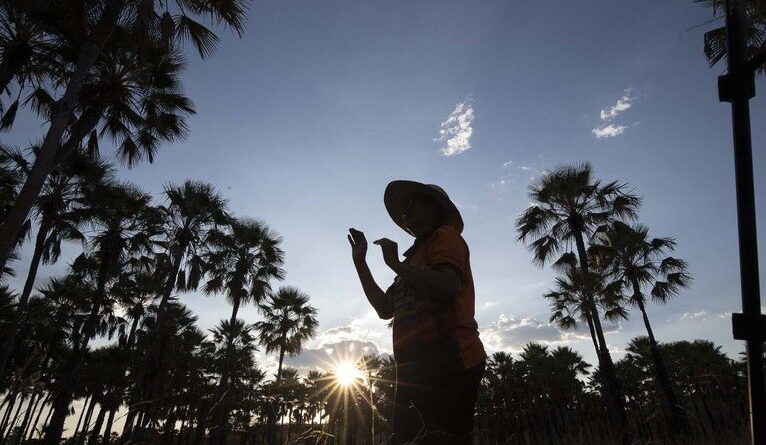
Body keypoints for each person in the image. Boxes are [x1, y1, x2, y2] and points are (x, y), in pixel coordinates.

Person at [348, 180, 486, 445]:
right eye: (402, 210)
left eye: (411, 205)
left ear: (434, 208)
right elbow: (385, 309)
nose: (405, 213)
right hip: (414, 371)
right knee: (403, 438)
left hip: (451, 362)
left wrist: (395, 264)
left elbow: (447, 285)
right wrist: (360, 262)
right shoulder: (413, 259)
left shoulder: (445, 237)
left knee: (441, 438)